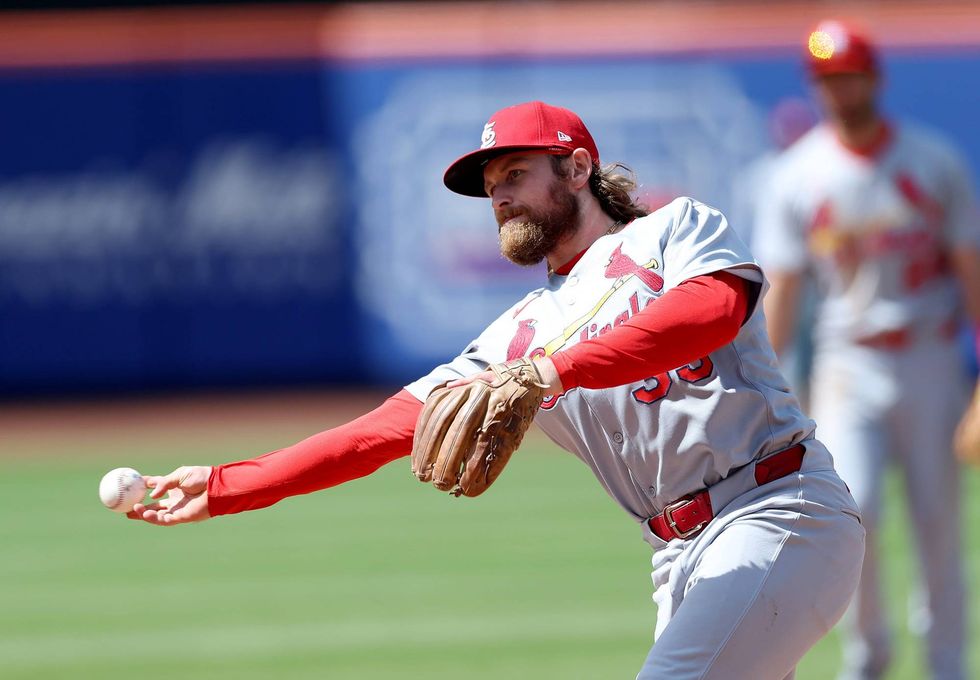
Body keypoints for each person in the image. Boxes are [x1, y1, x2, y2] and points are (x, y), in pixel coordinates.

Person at [129, 100, 864, 679]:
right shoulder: (514, 337)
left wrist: (554, 371)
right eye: (489, 188)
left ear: (576, 169)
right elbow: (370, 436)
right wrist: (226, 487)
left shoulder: (673, 231)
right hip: (677, 559)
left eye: (514, 174)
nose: (499, 198)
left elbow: (710, 313)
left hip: (777, 511)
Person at [753, 20, 980, 680]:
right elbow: (785, 290)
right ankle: (868, 655)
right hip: (848, 360)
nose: (837, 89)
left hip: (929, 355)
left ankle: (946, 664)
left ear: (873, 78)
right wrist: (767, 389)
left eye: (847, 74)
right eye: (825, 79)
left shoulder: (930, 161)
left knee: (938, 521)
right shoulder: (798, 175)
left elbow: (970, 270)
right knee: (855, 513)